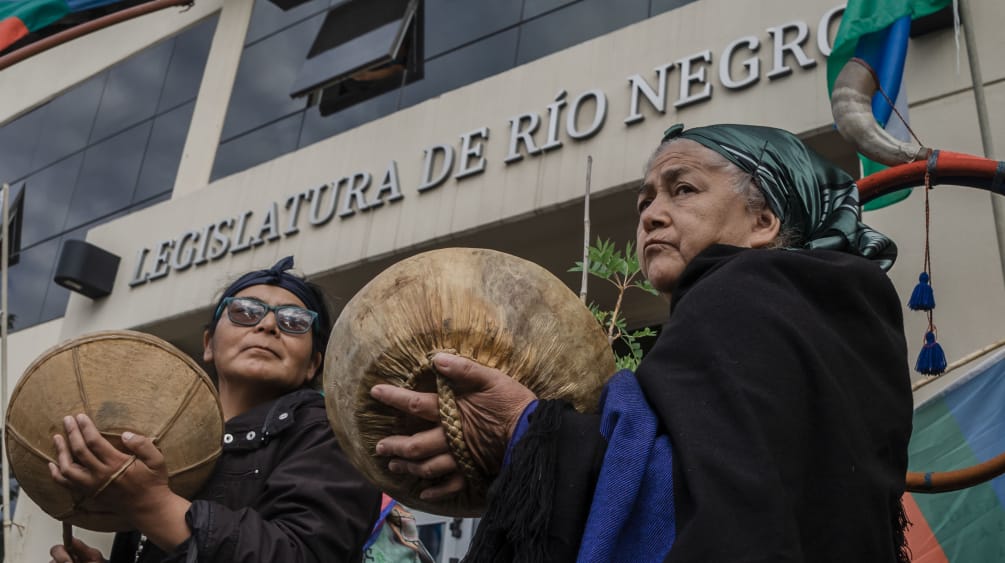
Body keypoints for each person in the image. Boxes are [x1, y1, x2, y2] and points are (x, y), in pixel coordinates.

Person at [370, 124, 914, 562]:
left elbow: (710, 515)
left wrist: (523, 430)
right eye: (645, 200)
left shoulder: (743, 292)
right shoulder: (830, 319)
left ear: (763, 221)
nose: (651, 214)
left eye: (683, 189)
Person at [49, 256, 382, 563]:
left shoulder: (330, 431)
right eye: (245, 311)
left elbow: (302, 553)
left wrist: (152, 505)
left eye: (294, 321)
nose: (267, 325)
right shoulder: (161, 443)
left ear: (313, 364)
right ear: (209, 344)